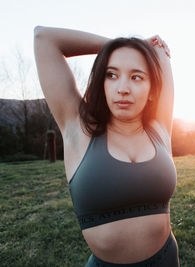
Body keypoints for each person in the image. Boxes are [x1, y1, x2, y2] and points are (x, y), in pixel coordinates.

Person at [34, 26, 179, 266]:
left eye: (136, 77)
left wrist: (138, 49)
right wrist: (121, 47)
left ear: (152, 90)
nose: (123, 88)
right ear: (102, 82)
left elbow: (161, 54)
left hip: (166, 258)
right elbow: (44, 38)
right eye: (111, 74)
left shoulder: (160, 128)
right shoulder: (79, 130)